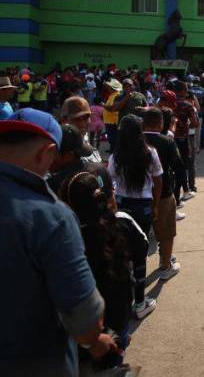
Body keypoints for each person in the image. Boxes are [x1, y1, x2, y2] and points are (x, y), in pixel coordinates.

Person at [0, 112, 118, 375]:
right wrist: (94, 341)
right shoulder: (48, 215)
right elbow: (86, 319)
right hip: (34, 361)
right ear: (48, 152)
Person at [61, 172, 148, 336]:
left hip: (86, 316)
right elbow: (142, 248)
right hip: (119, 308)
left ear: (69, 204)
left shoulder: (67, 235)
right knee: (118, 342)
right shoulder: (122, 221)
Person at [107, 114, 162, 319]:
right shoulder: (150, 153)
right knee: (141, 252)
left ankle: (126, 299)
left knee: (123, 252)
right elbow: (158, 182)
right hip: (143, 207)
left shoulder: (115, 157)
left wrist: (113, 205)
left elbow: (109, 182)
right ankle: (140, 302)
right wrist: (155, 206)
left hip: (122, 207)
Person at [142, 107, 185, 278]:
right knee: (166, 233)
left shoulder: (133, 140)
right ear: (160, 124)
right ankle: (165, 265)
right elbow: (179, 167)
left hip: (137, 195)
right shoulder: (166, 142)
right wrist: (180, 187)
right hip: (163, 193)